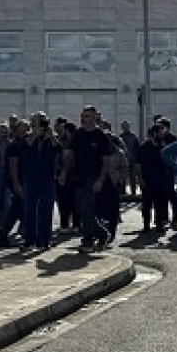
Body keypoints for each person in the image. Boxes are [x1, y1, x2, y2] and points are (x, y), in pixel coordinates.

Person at [66, 106, 115, 253]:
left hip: (93, 178)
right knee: (81, 210)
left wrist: (100, 180)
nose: (85, 119)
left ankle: (101, 233)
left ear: (95, 118)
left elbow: (106, 161)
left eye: (88, 116)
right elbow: (70, 154)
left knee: (87, 208)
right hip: (79, 178)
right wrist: (63, 172)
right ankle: (88, 238)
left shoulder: (101, 137)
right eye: (83, 116)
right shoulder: (78, 134)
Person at [20, 113, 63, 251]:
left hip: (47, 180)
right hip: (31, 180)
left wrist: (50, 138)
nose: (35, 126)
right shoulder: (28, 137)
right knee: (30, 211)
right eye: (33, 123)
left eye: (38, 123)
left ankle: (44, 241)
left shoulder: (50, 139)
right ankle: (29, 240)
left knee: (45, 211)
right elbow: (24, 149)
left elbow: (60, 150)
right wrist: (33, 135)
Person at [136, 125, 169, 231]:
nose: (162, 134)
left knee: (161, 202)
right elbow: (138, 164)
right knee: (147, 203)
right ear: (154, 133)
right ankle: (146, 224)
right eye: (160, 132)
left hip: (162, 178)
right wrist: (140, 178)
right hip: (148, 179)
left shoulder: (163, 145)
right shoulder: (144, 147)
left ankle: (159, 223)